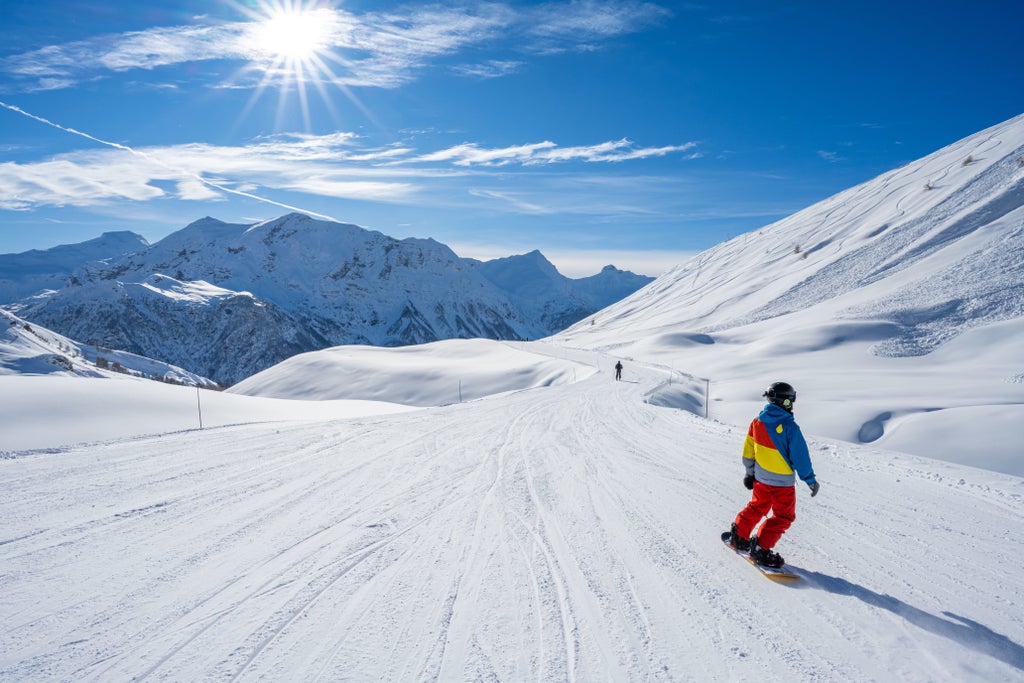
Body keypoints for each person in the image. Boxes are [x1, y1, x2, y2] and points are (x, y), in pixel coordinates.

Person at [727, 381, 819, 568]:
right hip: (782, 484)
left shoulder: (757, 422)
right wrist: (809, 480)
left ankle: (739, 535)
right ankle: (760, 548)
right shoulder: (790, 427)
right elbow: (800, 457)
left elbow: (748, 451)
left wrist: (749, 473)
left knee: (757, 507)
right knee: (783, 516)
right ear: (785, 402)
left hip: (761, 479)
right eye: (791, 400)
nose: (792, 405)